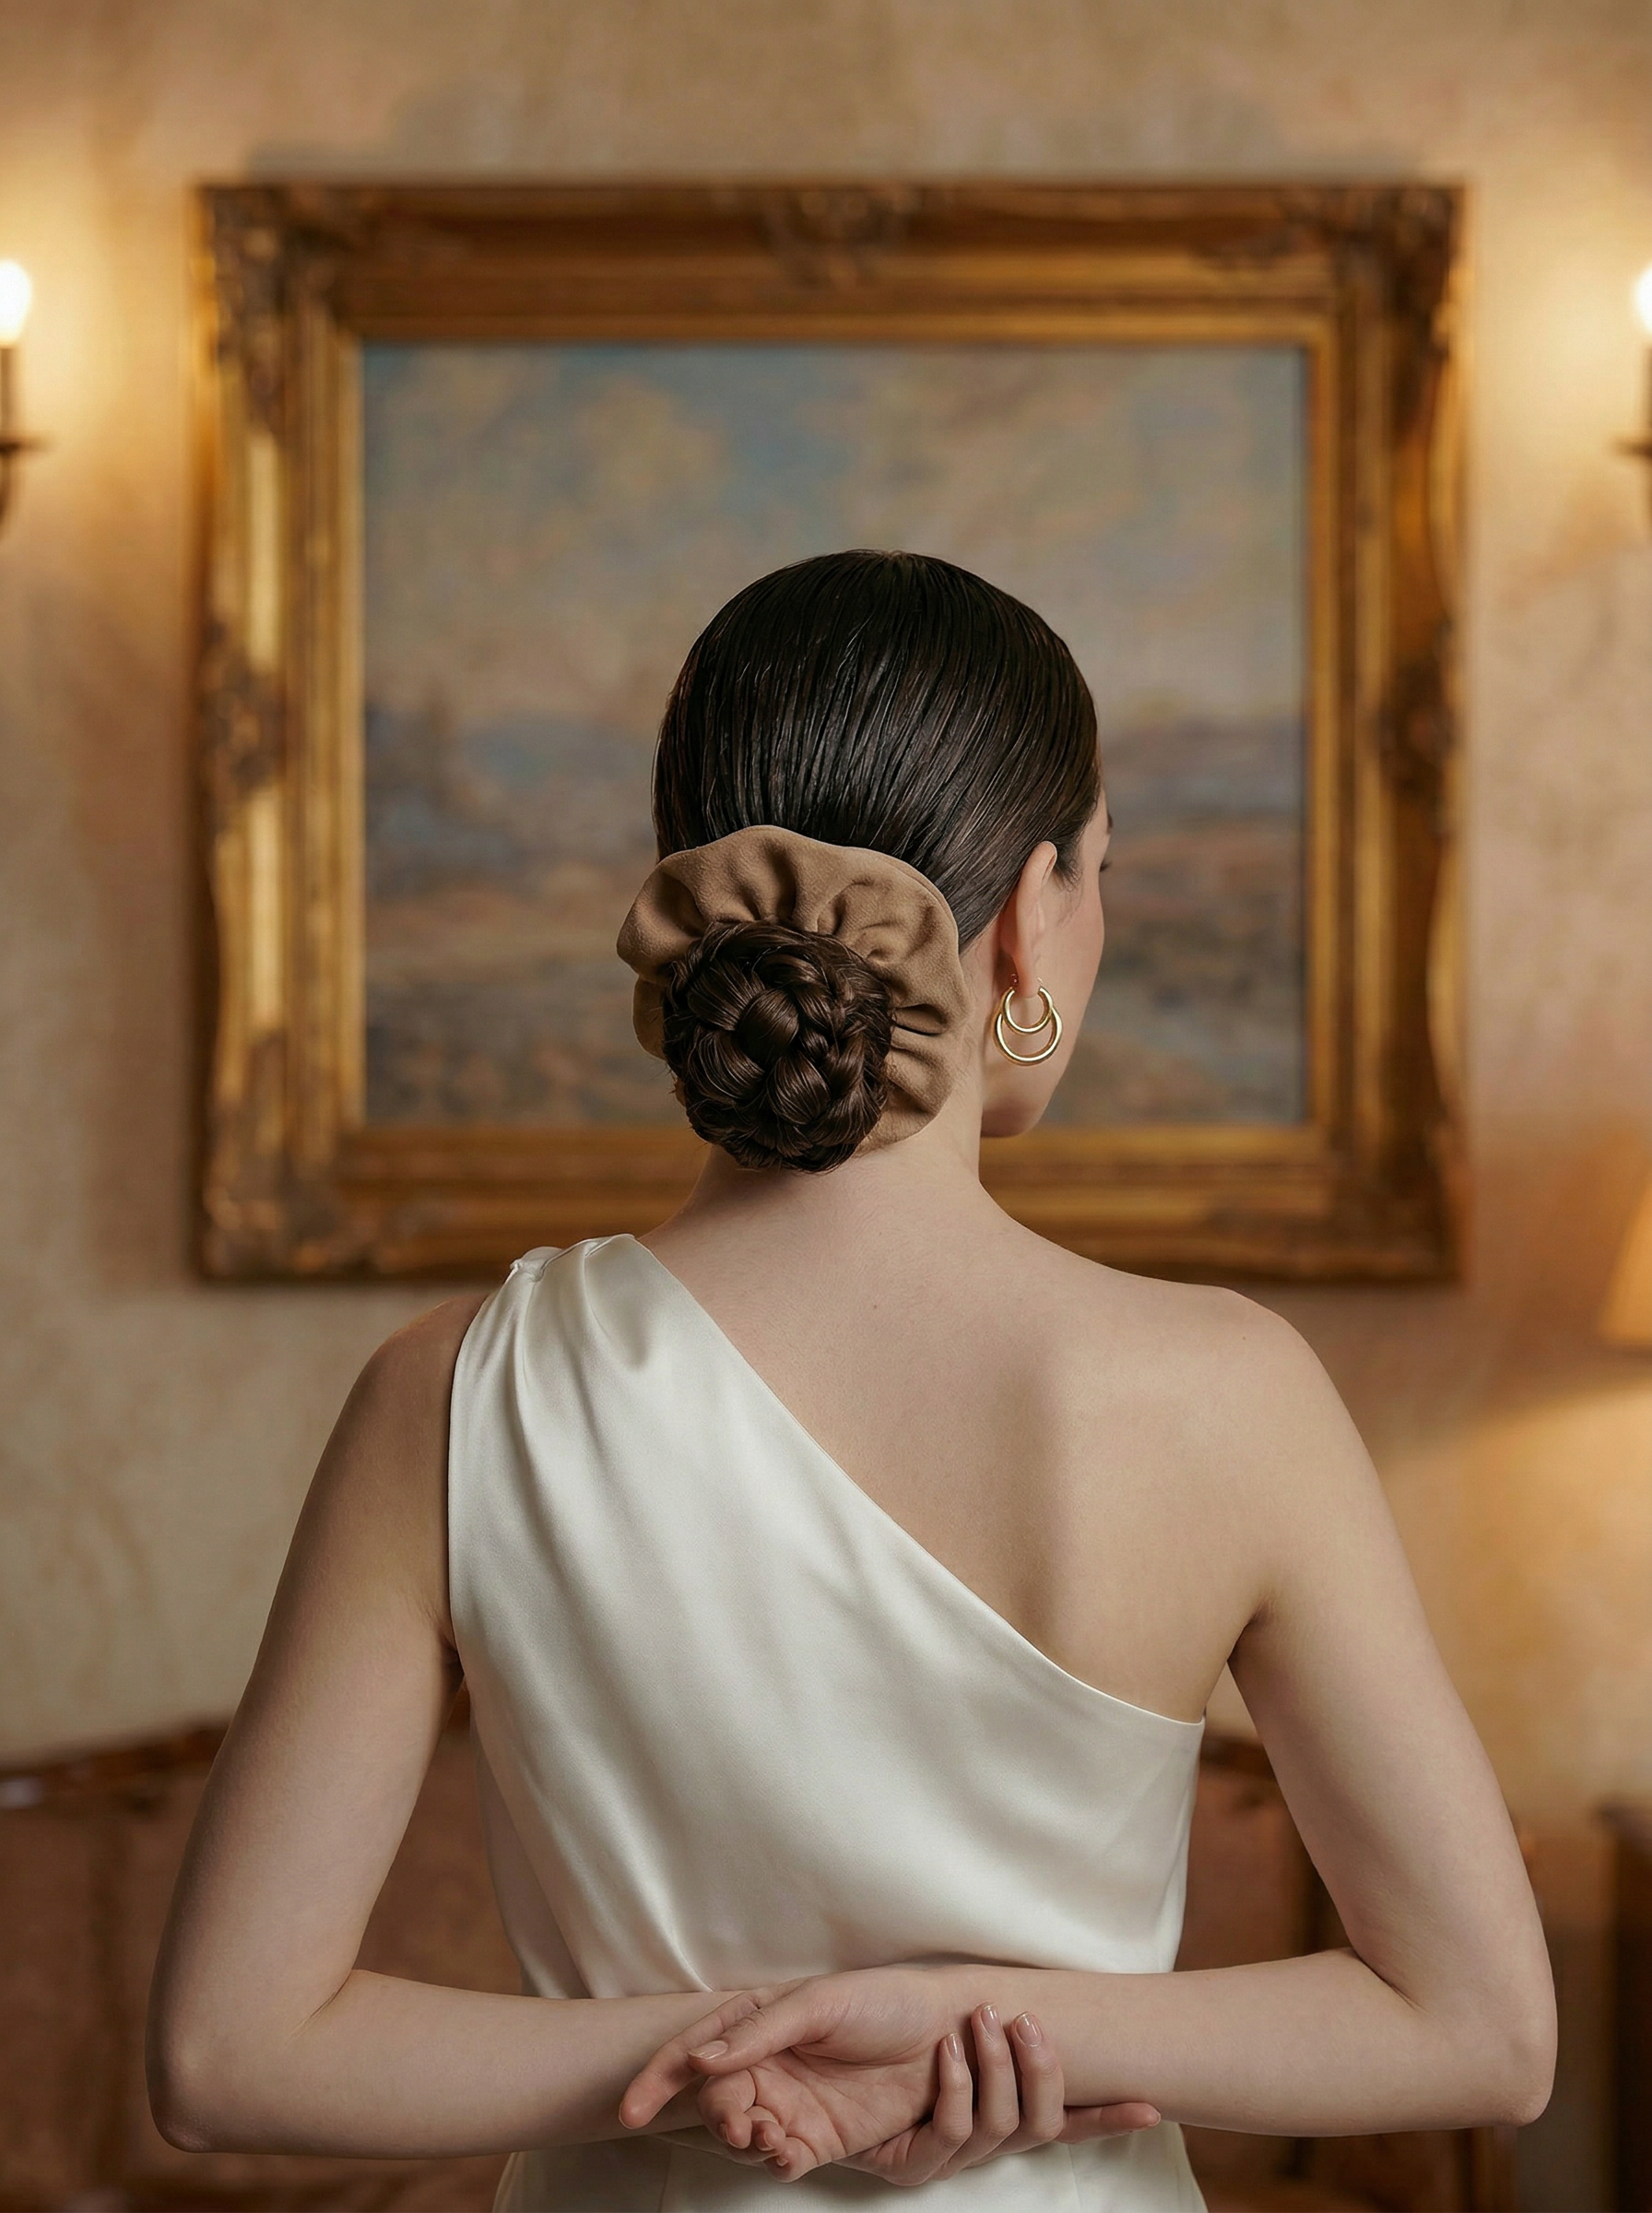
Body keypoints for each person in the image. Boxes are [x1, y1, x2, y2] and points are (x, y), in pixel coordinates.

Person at [148, 551, 1554, 2207]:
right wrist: (991, 2028)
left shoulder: (455, 1392)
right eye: (1100, 871)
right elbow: (1481, 2031)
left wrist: (707, 2061)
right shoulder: (1231, 1397)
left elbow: (228, 2053)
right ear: (1032, 918)